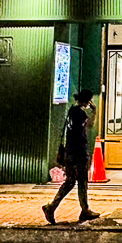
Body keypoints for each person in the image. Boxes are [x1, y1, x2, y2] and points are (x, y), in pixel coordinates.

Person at [42, 89, 100, 224]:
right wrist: (95, 111)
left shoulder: (70, 111)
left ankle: (52, 208)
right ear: (87, 101)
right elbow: (90, 125)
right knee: (81, 181)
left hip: (69, 152)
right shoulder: (79, 113)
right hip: (78, 153)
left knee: (70, 181)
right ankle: (84, 210)